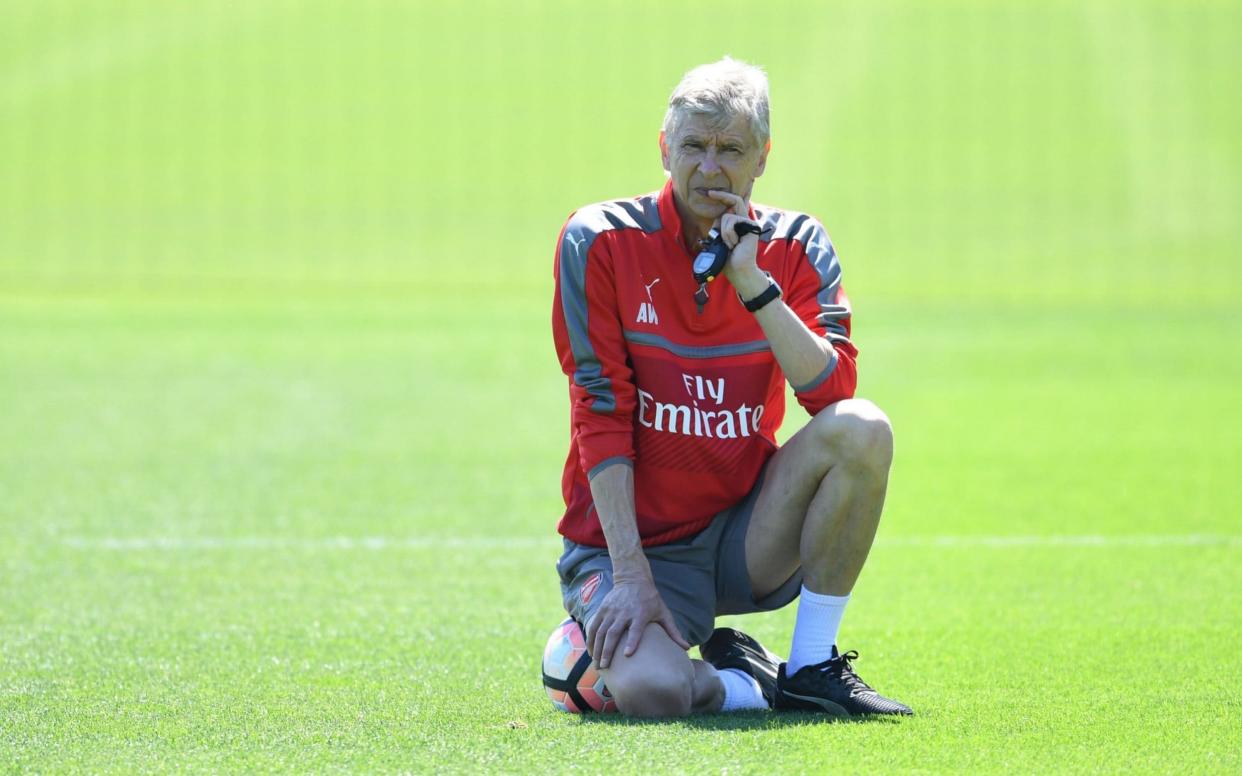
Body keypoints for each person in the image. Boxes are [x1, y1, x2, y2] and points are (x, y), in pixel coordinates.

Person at [550, 57, 912, 718]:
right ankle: (744, 679)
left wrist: (753, 285)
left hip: (748, 534)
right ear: (665, 148)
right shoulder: (599, 241)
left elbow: (832, 394)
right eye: (693, 147)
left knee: (864, 429)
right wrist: (629, 577)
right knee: (655, 694)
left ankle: (811, 666)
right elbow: (598, 412)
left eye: (730, 150)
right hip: (630, 548)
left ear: (763, 159)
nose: (710, 169)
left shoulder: (798, 244)